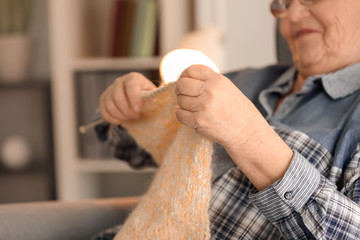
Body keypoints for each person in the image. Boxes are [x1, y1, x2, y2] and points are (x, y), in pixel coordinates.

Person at [95, 0, 360, 239]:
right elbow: (133, 152)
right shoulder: (238, 81)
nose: (292, 15)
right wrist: (131, 112)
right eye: (284, 3)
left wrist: (248, 137)